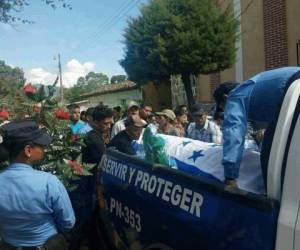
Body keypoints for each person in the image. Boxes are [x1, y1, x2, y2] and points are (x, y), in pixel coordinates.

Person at [0, 120, 75, 250]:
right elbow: (68, 222)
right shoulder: (48, 182)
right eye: (41, 146)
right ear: (28, 150)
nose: (43, 149)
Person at [222, 67, 300, 187]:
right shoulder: (257, 90)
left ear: (225, 98)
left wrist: (230, 176)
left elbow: (234, 133)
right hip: (294, 87)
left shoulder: (236, 96)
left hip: (295, 87)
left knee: (271, 157)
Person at [68, 105, 113, 250]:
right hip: (86, 188)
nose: (109, 126)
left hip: (83, 185)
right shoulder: (93, 139)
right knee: (82, 225)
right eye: (105, 123)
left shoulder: (90, 135)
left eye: (110, 122)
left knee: (89, 225)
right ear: (94, 121)